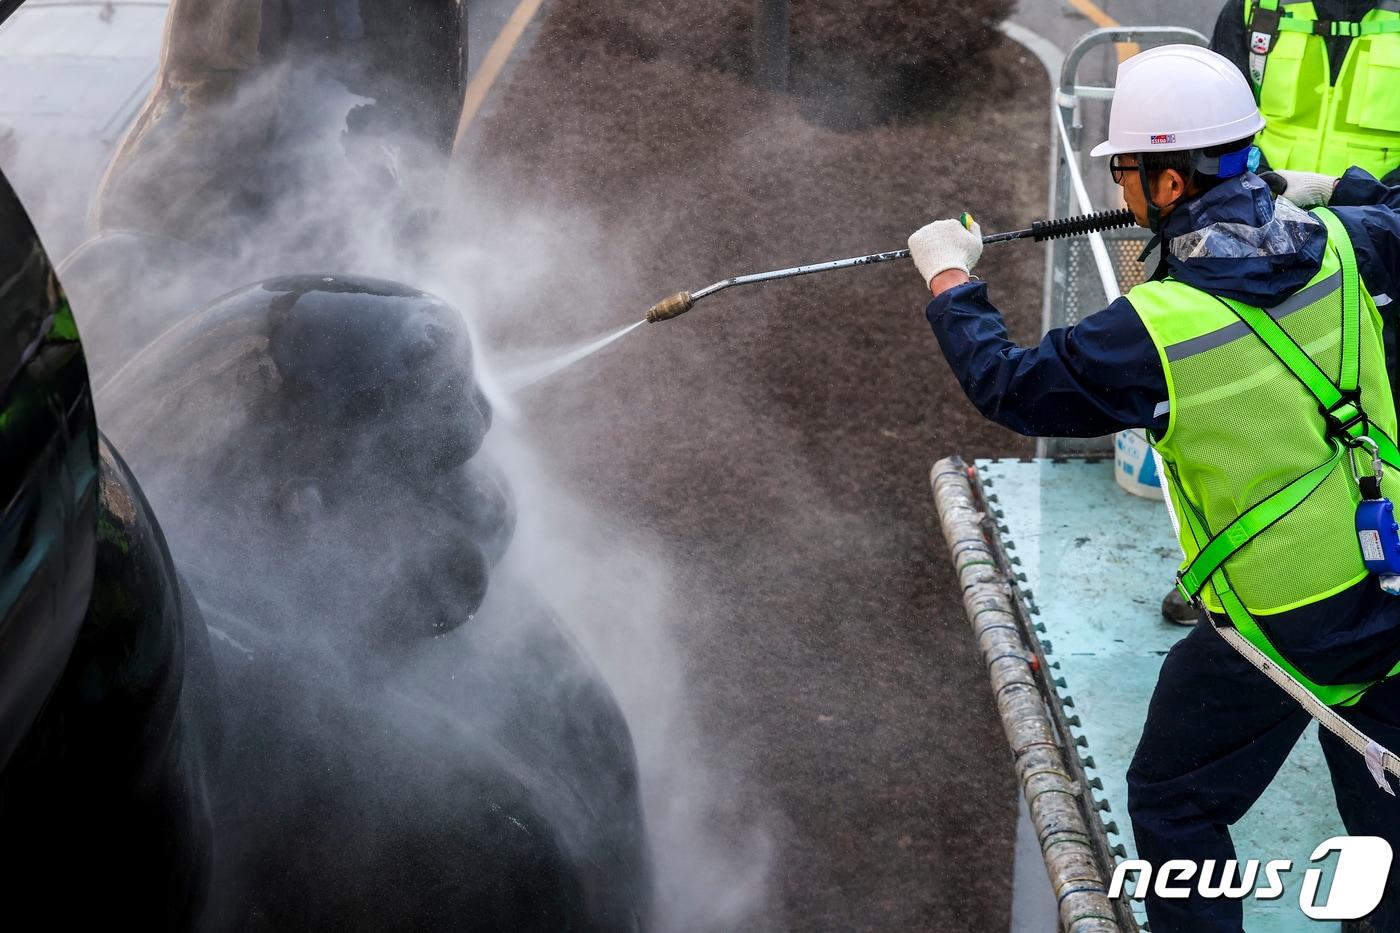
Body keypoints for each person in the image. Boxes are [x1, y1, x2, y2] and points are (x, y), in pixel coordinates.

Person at [908, 45, 1400, 932]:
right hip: (1392, 576)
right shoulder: (1342, 242)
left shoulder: (1156, 327)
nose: (1123, 187)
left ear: (1170, 183)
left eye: (1126, 170)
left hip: (1288, 616)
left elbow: (1012, 387)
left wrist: (950, 280)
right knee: (1385, 799)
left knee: (1174, 800)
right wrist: (1343, 188)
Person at [1210, 0, 1400, 186]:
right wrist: (1261, 181)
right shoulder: (1252, 5)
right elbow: (1218, 117)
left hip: (1382, 203)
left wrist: (1383, 197)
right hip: (1263, 196)